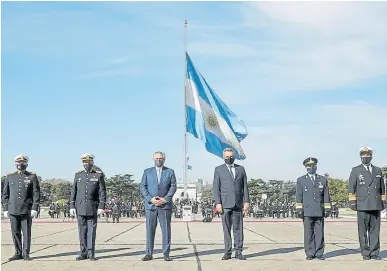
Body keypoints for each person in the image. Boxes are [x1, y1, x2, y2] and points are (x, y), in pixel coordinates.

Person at [348, 146, 386, 260]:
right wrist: (352, 202)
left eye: (368, 155)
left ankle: (375, 252)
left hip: (375, 204)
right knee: (363, 231)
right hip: (362, 205)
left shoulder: (378, 170)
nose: (366, 157)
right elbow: (352, 186)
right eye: (363, 155)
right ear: (360, 156)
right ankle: (365, 252)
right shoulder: (356, 170)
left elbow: (382, 188)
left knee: (375, 230)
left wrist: (384, 201)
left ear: (371, 156)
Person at [213, 148, 250, 260]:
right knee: (227, 229)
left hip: (238, 204)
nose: (229, 158)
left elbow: (245, 187)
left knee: (238, 229)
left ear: (234, 156)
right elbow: (216, 188)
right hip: (225, 205)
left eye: (231, 156)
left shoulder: (241, 169)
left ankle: (239, 252)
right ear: (223, 157)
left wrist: (247, 201)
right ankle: (227, 252)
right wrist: (218, 202)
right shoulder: (219, 169)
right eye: (227, 157)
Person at [2, 154, 40, 261]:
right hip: (13, 209)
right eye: (19, 162)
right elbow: (5, 194)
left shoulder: (32, 176)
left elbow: (36, 193)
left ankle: (26, 253)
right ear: (15, 163)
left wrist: (34, 208)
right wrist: (5, 209)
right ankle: (17, 253)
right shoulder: (10, 176)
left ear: (26, 164)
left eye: (23, 163)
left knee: (26, 232)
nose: (21, 164)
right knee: (15, 233)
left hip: (26, 210)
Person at [139, 151, 177, 262]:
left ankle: (166, 253)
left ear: (164, 159)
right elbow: (142, 187)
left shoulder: (170, 172)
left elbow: (173, 187)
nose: (158, 160)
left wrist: (165, 199)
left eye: (160, 158)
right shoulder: (147, 172)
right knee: (150, 230)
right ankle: (149, 253)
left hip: (164, 206)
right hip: (151, 206)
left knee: (166, 230)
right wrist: (150, 199)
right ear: (153, 159)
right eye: (156, 158)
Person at [70, 153, 106, 261]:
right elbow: (74, 191)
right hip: (80, 207)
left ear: (92, 162)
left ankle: (91, 253)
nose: (87, 164)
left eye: (89, 162)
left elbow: (102, 192)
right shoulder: (78, 175)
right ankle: (83, 253)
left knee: (91, 231)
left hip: (92, 207)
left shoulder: (98, 175)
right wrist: (72, 205)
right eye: (85, 162)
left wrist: (101, 206)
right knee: (82, 231)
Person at [296, 157, 331, 260]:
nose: (311, 167)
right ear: (305, 167)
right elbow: (299, 195)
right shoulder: (301, 180)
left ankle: (319, 253)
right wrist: (299, 209)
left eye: (313, 165)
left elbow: (326, 195)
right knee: (308, 233)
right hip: (307, 211)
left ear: (316, 166)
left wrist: (327, 208)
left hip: (319, 210)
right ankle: (310, 253)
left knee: (319, 232)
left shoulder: (323, 179)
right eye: (308, 166)